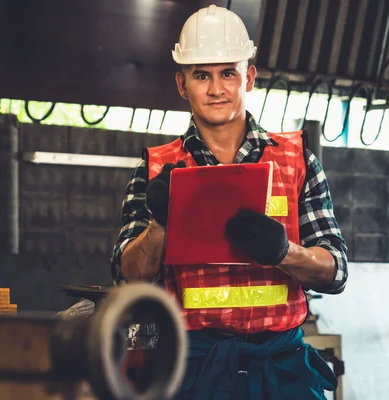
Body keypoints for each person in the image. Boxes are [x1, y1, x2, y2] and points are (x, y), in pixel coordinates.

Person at [110, 4, 348, 399]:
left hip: (280, 370)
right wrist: (160, 225)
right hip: (192, 371)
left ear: (249, 77)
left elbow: (336, 270)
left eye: (228, 73)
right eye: (202, 75)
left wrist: (284, 252)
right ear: (182, 84)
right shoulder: (156, 170)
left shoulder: (297, 161)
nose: (216, 89)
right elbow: (126, 276)